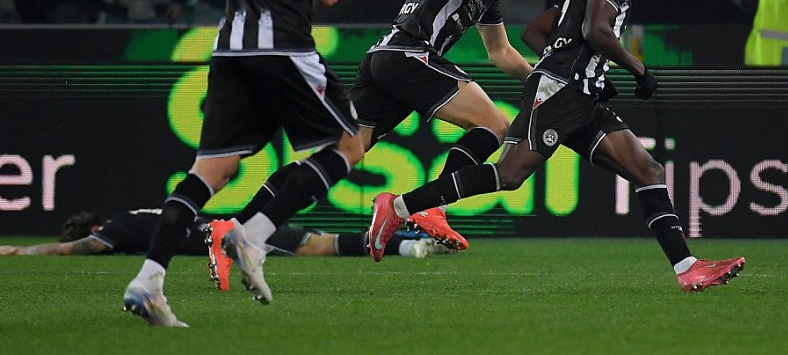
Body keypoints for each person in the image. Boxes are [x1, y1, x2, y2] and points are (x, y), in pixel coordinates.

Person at [367, 0, 747, 292]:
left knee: (647, 170)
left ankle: (688, 268)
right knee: (510, 174)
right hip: (563, 90)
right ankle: (398, 206)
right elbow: (595, 30)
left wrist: (583, 69)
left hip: (579, 92)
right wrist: (638, 70)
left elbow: (537, 32)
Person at [207, 0, 562, 274]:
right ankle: (430, 207)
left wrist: (543, 82)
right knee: (495, 125)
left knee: (338, 156)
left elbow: (501, 52)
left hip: (387, 60)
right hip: (408, 55)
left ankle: (236, 228)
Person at [122, 0, 364, 327]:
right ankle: (252, 236)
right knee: (351, 142)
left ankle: (149, 280)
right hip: (280, 40)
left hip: (233, 42)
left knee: (213, 169)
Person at [0, 209, 450, 273]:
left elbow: (75, 250)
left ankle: (407, 241)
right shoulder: (136, 217)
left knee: (318, 245)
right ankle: (408, 242)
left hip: (230, 239)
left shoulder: (116, 230)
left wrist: (20, 250)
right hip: (230, 226)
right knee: (319, 242)